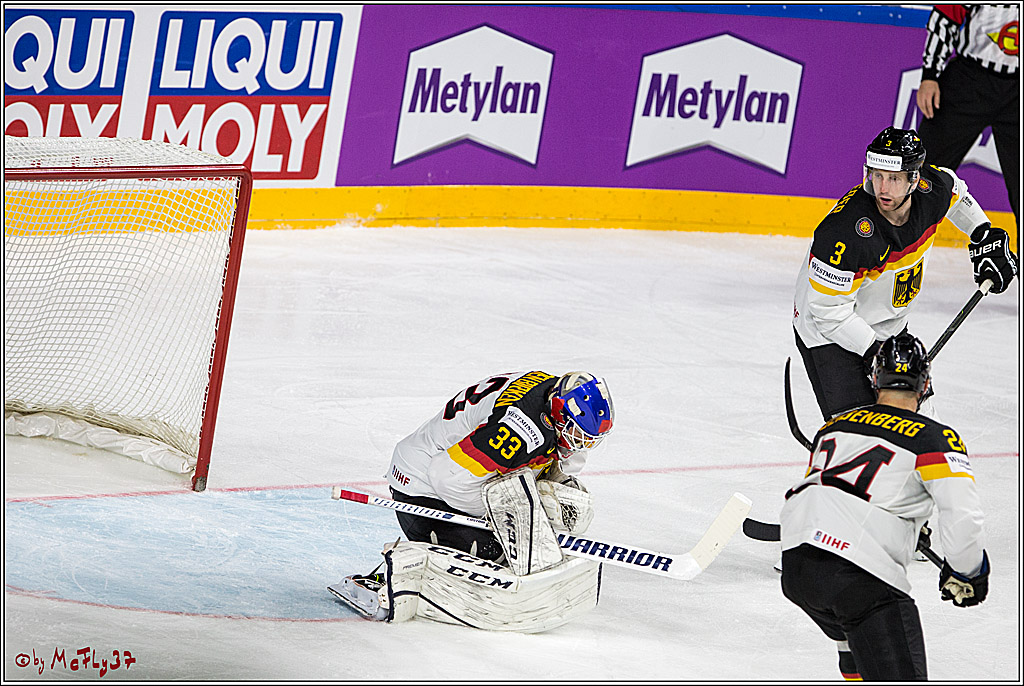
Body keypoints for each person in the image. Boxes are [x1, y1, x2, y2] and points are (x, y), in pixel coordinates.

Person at [329, 370, 614, 630]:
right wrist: (505, 515)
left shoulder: (554, 394)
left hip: (457, 470)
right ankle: (390, 580)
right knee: (493, 552)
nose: (583, 444)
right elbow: (447, 478)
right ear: (560, 414)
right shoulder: (517, 431)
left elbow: (560, 456)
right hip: (423, 486)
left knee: (553, 512)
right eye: (578, 434)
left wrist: (552, 489)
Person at [780, 332, 989, 680]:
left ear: (875, 379)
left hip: (798, 565)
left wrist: (906, 528)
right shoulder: (935, 438)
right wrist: (968, 572)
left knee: (856, 644)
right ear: (925, 385)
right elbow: (962, 516)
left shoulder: (833, 428)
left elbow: (834, 493)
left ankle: (852, 661)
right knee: (867, 620)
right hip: (858, 574)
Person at [792, 126, 1018, 422]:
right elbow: (827, 312)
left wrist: (982, 233)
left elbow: (957, 192)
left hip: (889, 326)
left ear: (914, 178)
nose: (883, 188)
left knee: (919, 424)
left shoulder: (931, 190)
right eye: (877, 175)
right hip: (828, 334)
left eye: (894, 178)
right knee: (859, 431)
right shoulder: (844, 234)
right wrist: (877, 352)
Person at [916, 4, 1019, 238]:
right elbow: (946, 16)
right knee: (923, 173)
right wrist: (930, 75)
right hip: (969, 81)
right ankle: (895, 249)